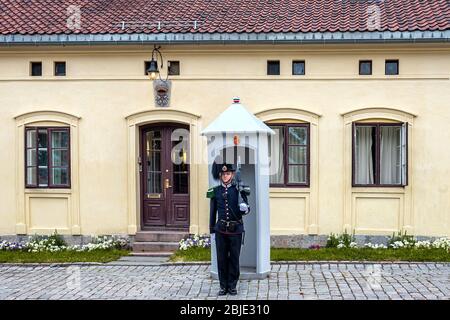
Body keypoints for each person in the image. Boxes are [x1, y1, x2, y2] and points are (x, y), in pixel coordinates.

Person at [208, 162, 250, 296]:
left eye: (228, 174)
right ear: (220, 175)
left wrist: (245, 209)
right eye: (223, 174)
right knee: (221, 259)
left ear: (232, 175)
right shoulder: (215, 191)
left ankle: (232, 286)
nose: (225, 176)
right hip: (220, 230)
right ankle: (223, 286)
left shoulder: (239, 189)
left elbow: (246, 209)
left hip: (235, 230)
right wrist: (212, 230)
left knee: (234, 259)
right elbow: (212, 212)